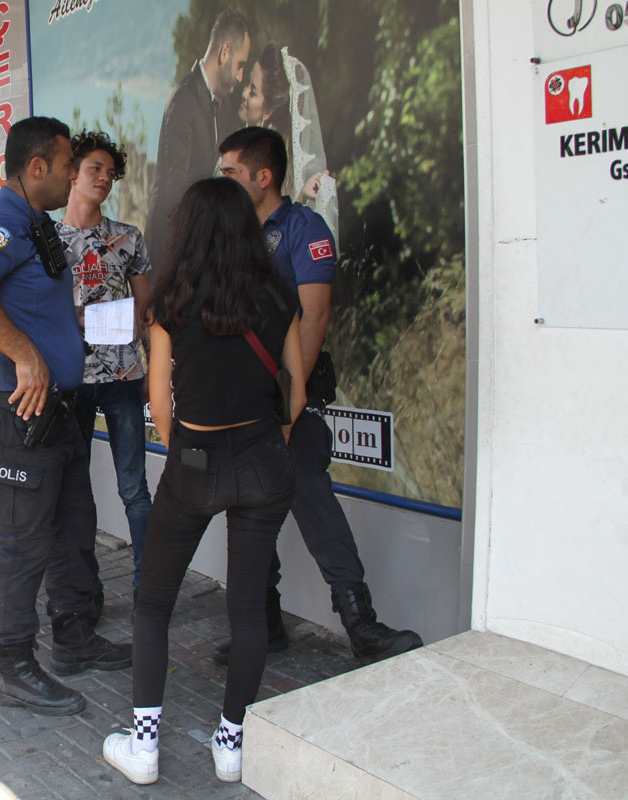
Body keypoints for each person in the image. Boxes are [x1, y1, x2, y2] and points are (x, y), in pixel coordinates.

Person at [102, 177, 305, 786]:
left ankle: (143, 746)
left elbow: (159, 406)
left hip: (194, 461)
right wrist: (266, 442)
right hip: (264, 459)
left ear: (186, 230)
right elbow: (293, 394)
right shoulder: (277, 296)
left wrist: (187, 446)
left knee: (153, 603)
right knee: (247, 607)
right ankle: (231, 744)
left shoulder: (171, 304)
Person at [0, 116, 131, 717]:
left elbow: (41, 309)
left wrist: (91, 331)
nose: (78, 173)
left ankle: (73, 637)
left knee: (73, 526)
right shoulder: (2, 221)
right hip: (19, 415)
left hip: (61, 415)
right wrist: (26, 356)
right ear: (38, 168)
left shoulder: (37, 225)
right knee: (22, 544)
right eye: (69, 163)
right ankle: (13, 664)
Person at [214, 126, 421, 664]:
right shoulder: (227, 230)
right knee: (246, 509)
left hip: (285, 398)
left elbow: (315, 315)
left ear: (263, 176)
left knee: (312, 499)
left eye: (232, 172)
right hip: (237, 397)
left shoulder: (304, 228)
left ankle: (363, 626)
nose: (224, 181)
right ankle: (263, 624)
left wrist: (289, 401)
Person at [58, 130, 153, 585]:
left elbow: (142, 314)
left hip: (124, 377)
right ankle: (83, 587)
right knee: (75, 490)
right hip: (70, 380)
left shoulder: (128, 238)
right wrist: (95, 319)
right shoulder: (47, 240)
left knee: (134, 488)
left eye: (111, 173)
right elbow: (38, 313)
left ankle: (148, 581)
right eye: (95, 168)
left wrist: (79, 317)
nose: (104, 179)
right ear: (72, 174)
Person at [146, 8, 251, 268]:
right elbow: (174, 191)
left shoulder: (213, 102)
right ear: (224, 52)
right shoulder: (184, 99)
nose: (240, 77)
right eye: (240, 65)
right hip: (171, 257)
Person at [238, 43, 338, 241]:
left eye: (253, 91)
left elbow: (268, 230)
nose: (244, 92)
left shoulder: (264, 164)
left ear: (268, 111)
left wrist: (302, 196)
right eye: (248, 84)